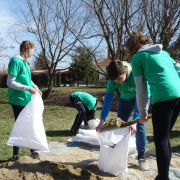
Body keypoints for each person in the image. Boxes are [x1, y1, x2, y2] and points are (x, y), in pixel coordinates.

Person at [125, 31, 180, 180]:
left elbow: (141, 87)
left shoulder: (138, 58)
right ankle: (164, 175)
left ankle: (163, 177)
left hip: (163, 97)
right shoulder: (164, 53)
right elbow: (178, 70)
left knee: (160, 139)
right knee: (165, 136)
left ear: (132, 47)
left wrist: (142, 112)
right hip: (178, 95)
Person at [96, 60, 150, 171]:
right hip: (125, 98)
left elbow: (141, 98)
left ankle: (141, 157)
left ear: (125, 72)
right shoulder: (113, 81)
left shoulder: (136, 74)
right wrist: (102, 120)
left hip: (142, 96)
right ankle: (117, 153)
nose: (117, 82)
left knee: (139, 124)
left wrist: (135, 120)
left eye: (119, 79)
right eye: (115, 80)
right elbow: (108, 101)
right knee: (119, 125)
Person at [7, 40, 42, 162]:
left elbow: (27, 79)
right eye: (32, 49)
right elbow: (10, 82)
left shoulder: (25, 62)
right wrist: (27, 88)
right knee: (20, 125)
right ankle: (15, 155)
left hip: (27, 98)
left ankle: (33, 151)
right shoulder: (16, 61)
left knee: (30, 124)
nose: (33, 52)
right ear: (27, 49)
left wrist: (35, 87)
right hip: (18, 99)